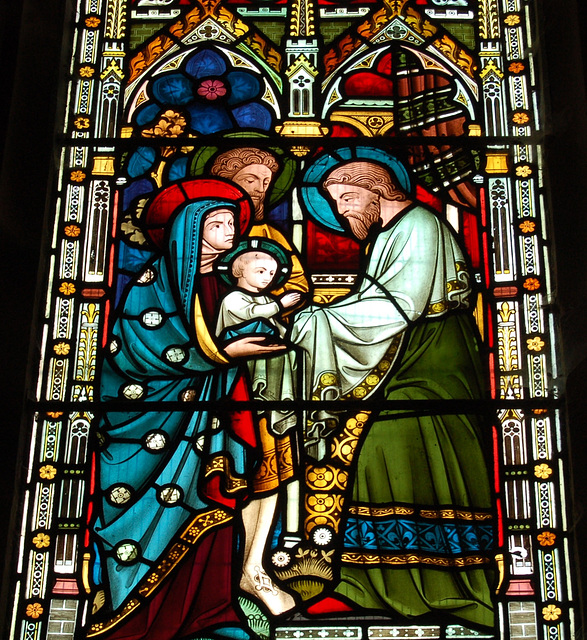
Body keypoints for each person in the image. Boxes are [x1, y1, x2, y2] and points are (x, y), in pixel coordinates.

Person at [293, 157, 495, 628]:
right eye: (335, 203)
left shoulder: (419, 224)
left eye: (346, 198)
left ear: (375, 190)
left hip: (434, 354)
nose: (341, 211)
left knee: (400, 446)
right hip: (407, 352)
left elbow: (399, 304)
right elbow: (383, 301)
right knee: (385, 452)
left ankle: (446, 582)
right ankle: (375, 582)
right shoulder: (387, 232)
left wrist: (319, 321)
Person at [89, 188, 292, 640]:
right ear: (188, 230)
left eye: (230, 224)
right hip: (151, 426)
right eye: (216, 223)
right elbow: (139, 354)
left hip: (210, 422)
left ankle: (211, 612)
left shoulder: (227, 286)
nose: (229, 231)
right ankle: (137, 619)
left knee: (212, 504)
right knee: (150, 520)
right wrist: (222, 354)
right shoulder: (154, 285)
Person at [211, 148, 308, 550]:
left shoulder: (272, 238)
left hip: (270, 372)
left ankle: (261, 555)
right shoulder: (199, 237)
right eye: (252, 180)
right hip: (223, 376)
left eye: (266, 183)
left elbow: (299, 286)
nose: (260, 189)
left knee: (274, 456)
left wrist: (280, 303)